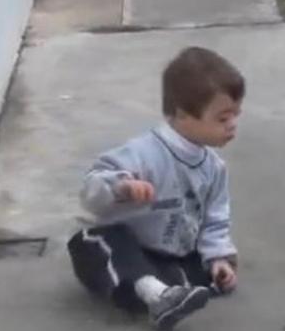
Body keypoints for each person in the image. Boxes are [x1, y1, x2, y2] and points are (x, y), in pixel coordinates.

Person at [67, 46, 245, 330]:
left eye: (236, 114)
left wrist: (218, 258)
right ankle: (155, 292)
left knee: (203, 272)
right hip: (124, 250)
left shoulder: (214, 168)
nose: (233, 125)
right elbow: (91, 190)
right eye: (223, 118)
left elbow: (215, 219)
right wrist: (121, 187)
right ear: (182, 114)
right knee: (94, 243)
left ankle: (165, 295)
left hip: (168, 255)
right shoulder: (143, 153)